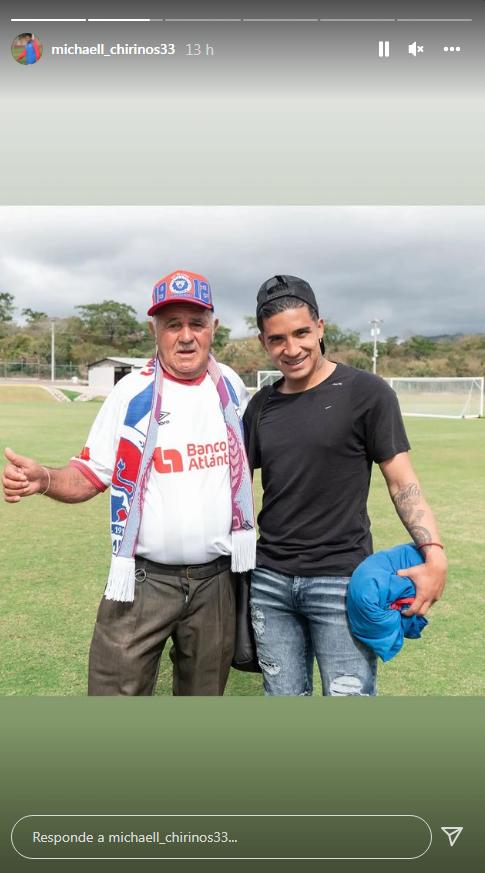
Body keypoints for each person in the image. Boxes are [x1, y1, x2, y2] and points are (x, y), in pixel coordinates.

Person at [2, 270, 256, 696]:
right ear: (154, 330)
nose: (187, 336)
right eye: (173, 324)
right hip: (142, 581)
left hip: (216, 582)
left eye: (196, 323)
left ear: (214, 327)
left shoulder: (230, 387)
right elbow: (90, 474)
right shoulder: (129, 394)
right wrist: (44, 478)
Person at [244, 274, 447, 696]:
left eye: (302, 332)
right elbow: (233, 487)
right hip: (270, 585)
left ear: (320, 326)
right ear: (264, 342)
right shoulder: (260, 406)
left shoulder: (367, 393)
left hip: (339, 581)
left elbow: (402, 482)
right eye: (278, 339)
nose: (292, 348)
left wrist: (434, 556)